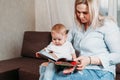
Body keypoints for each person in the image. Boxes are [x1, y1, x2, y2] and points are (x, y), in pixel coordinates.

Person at [52, 0, 120, 80]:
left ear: (94, 11)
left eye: (85, 13)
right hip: (81, 69)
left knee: (56, 77)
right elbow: (65, 43)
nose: (80, 16)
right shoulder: (77, 26)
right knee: (47, 70)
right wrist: (53, 55)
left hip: (101, 72)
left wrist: (90, 60)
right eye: (78, 12)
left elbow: (118, 55)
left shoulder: (107, 25)